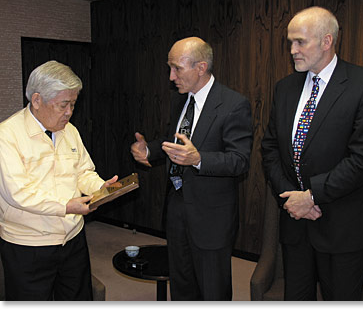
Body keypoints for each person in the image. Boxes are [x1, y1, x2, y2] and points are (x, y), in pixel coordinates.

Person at [261, 6, 363, 300]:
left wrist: (311, 196)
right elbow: (269, 148)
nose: (292, 50)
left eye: (299, 42)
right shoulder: (285, 88)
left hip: (342, 226)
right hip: (295, 223)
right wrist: (290, 198)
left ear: (327, 41)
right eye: (289, 42)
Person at [130, 37, 253, 300]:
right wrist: (149, 150)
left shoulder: (233, 104)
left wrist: (199, 159)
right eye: (169, 68)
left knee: (212, 290)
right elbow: (174, 141)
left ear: (201, 67)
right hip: (176, 207)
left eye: (177, 68)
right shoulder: (180, 100)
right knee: (182, 285)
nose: (171, 76)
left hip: (211, 216)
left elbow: (240, 160)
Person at [0, 60, 118, 301]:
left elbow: (84, 171)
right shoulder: (7, 136)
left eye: (73, 104)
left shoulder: (70, 131)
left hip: (73, 239)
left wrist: (100, 187)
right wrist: (66, 206)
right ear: (36, 100)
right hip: (28, 244)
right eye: (63, 105)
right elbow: (18, 193)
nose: (69, 113)